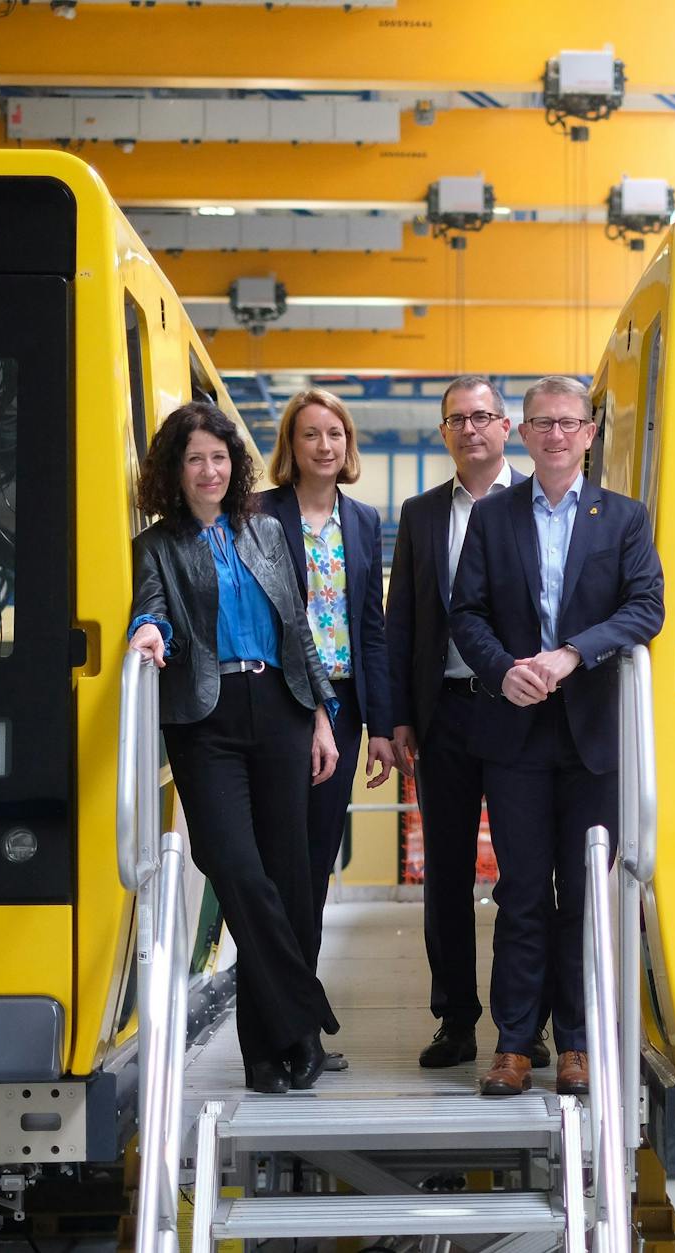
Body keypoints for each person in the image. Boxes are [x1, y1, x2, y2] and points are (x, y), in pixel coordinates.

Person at [449, 375, 665, 1097]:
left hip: (592, 735)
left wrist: (574, 651)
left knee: (583, 894)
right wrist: (503, 669)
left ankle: (575, 1042)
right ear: (524, 432)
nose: (556, 435)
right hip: (514, 732)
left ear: (590, 431)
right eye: (542, 422)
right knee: (520, 894)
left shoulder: (624, 519)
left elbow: (646, 607)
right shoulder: (493, 515)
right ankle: (514, 1044)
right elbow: (466, 613)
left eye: (569, 423)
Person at [128, 400, 342, 1095]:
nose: (210, 470)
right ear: (175, 469)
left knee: (284, 878)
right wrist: (149, 632)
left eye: (219, 457)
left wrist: (318, 715)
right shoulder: (157, 545)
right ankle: (305, 1018)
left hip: (278, 707)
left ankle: (264, 1054)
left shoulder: (267, 532)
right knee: (238, 871)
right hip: (205, 717)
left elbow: (297, 627)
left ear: (234, 464)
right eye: (196, 459)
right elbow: (152, 605)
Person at [384, 376, 549, 1071]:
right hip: (445, 711)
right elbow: (400, 623)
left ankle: (526, 1024)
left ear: (506, 426)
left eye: (482, 415)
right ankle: (454, 1019)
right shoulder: (422, 515)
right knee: (446, 874)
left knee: (525, 874)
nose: (471, 428)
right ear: (444, 431)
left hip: (520, 713)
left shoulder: (536, 504)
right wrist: (395, 718)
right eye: (458, 418)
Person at [255, 388, 393, 1078]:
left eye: (335, 433)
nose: (324, 445)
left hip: (342, 705)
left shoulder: (363, 522)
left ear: (348, 444)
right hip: (278, 702)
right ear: (292, 444)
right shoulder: (261, 515)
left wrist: (381, 726)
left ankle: (299, 1019)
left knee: (313, 865)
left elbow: (372, 627)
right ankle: (281, 1025)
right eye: (310, 434)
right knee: (279, 870)